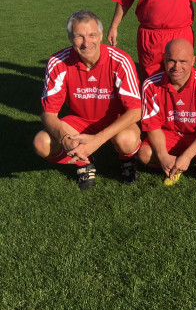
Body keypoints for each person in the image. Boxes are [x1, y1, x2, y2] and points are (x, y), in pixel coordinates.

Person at [33, 10, 142, 190]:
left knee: (127, 140)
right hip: (79, 121)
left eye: (92, 35)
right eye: (79, 36)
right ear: (70, 38)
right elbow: (48, 114)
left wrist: (97, 140)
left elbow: (135, 111)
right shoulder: (57, 62)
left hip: (114, 121)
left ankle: (127, 160)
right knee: (41, 143)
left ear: (100, 35)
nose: (86, 43)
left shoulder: (120, 60)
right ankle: (84, 162)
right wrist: (66, 139)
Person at [138, 39, 196, 187]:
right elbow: (152, 125)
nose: (177, 67)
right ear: (164, 60)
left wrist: (187, 156)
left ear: (193, 61)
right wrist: (163, 156)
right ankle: (171, 166)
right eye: (171, 61)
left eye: (183, 61)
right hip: (169, 133)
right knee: (144, 154)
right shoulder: (151, 84)